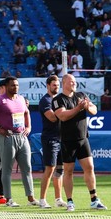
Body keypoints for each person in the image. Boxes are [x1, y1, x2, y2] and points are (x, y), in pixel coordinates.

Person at [52, 74, 107, 211]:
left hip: (83, 138)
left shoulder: (81, 95)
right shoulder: (58, 100)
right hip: (67, 140)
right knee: (68, 171)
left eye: (75, 82)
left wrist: (87, 107)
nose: (74, 84)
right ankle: (70, 201)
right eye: (71, 81)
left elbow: (94, 110)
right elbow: (63, 116)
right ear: (64, 83)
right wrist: (78, 108)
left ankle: (94, 199)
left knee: (89, 168)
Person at [0, 76, 38, 207]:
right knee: (7, 169)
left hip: (22, 136)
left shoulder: (21, 99)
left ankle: (31, 197)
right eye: (13, 85)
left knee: (27, 167)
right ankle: (8, 199)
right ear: (6, 87)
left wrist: (29, 127)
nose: (16, 87)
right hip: (7, 136)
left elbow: (26, 112)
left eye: (17, 85)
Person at [38, 75, 67, 209]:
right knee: (49, 169)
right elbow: (52, 118)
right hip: (50, 138)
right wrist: (65, 114)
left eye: (58, 85)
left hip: (62, 138)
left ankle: (58, 198)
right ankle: (42, 199)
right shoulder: (45, 101)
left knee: (60, 170)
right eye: (54, 85)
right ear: (48, 86)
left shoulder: (59, 100)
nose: (56, 87)